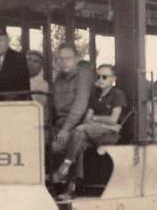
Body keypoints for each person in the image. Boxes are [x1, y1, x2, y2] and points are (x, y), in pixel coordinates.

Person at [52, 64, 127, 197]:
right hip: (93, 132)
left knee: (79, 131)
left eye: (105, 77)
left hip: (109, 135)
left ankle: (65, 165)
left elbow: (113, 119)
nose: (101, 79)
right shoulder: (95, 94)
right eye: (98, 76)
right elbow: (87, 119)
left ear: (113, 79)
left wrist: (98, 120)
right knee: (77, 145)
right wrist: (104, 123)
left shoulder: (117, 94)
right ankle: (72, 189)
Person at [51, 43, 95, 188]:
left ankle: (71, 184)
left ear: (76, 59)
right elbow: (52, 105)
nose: (64, 62)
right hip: (59, 123)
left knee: (59, 145)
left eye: (68, 58)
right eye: (60, 59)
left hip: (78, 122)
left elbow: (80, 105)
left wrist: (65, 129)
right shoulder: (58, 78)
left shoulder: (83, 75)